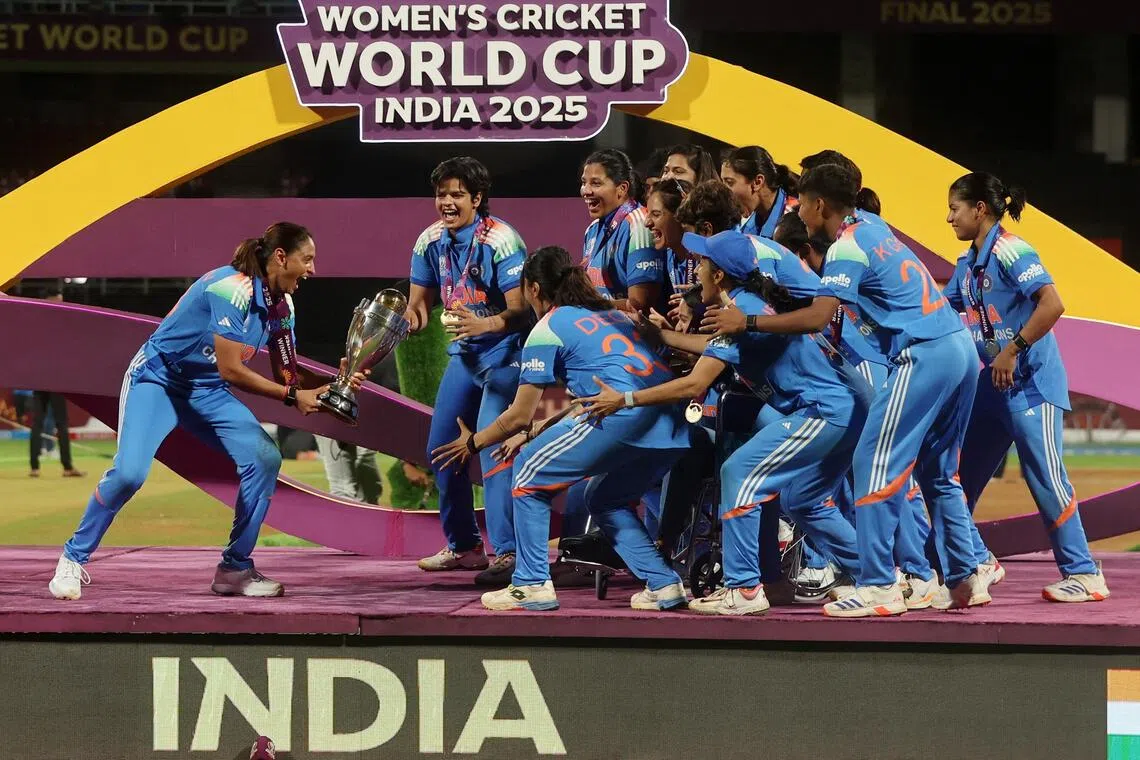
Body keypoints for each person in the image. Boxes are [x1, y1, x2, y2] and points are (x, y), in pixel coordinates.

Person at [702, 164, 985, 616]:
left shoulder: (845, 248)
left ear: (817, 205)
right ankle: (963, 575)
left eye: (803, 203)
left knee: (873, 464)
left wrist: (748, 320)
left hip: (924, 351)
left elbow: (817, 317)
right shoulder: (873, 229)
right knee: (938, 471)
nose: (799, 211)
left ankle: (878, 586)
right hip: (959, 348)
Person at [49, 222, 357, 600]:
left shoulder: (283, 305)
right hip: (158, 379)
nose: (312, 269)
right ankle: (72, 558)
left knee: (264, 458)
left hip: (207, 390)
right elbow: (232, 369)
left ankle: (235, 569)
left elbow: (288, 372)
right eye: (307, 259)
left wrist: (333, 384)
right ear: (281, 257)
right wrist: (294, 398)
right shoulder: (231, 288)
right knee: (129, 473)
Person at [579, 230, 867, 615]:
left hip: (823, 410)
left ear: (718, 276)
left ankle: (745, 589)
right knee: (804, 500)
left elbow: (697, 381)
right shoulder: (745, 305)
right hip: (843, 408)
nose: (694, 270)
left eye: (701, 263)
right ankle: (877, 577)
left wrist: (625, 399)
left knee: (739, 471)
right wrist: (661, 334)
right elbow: (715, 353)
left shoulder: (739, 310)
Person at [431, 246, 690, 612]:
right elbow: (589, 399)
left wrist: (472, 443)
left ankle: (532, 582)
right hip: (671, 425)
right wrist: (535, 432)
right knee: (605, 499)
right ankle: (663, 584)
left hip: (624, 419)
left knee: (526, 474)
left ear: (534, 289)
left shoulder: (547, 327)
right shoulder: (614, 316)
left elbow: (518, 414)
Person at [944, 171, 1109, 602]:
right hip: (993, 386)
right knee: (952, 476)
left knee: (1045, 478)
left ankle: (1085, 574)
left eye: (955, 208)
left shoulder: (1013, 250)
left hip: (1031, 383)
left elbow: (1053, 303)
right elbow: (940, 310)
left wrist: (1013, 349)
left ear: (980, 209)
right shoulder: (968, 264)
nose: (949, 218)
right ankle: (976, 558)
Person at [773, 212, 934, 605]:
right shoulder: (828, 285)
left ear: (803, 254)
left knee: (886, 480)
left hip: (874, 375)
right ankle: (895, 571)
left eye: (784, 257)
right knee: (866, 482)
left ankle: (916, 572)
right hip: (865, 375)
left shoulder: (833, 287)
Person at [405, 157, 531, 586]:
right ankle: (464, 547)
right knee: (442, 448)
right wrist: (409, 320)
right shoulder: (429, 240)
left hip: (506, 355)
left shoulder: (502, 240)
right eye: (442, 194)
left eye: (457, 194)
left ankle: (509, 554)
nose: (447, 202)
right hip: (465, 355)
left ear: (477, 198)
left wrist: (487, 324)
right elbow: (418, 303)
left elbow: (522, 310)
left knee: (495, 451)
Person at [580, 148, 664, 315]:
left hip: (632, 336)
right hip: (599, 329)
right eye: (584, 182)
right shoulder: (592, 230)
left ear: (622, 188)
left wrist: (587, 304)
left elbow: (640, 304)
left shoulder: (639, 225)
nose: (586, 191)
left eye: (596, 183)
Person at [720, 146, 799, 239]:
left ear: (757, 182)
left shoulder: (797, 219)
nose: (723, 191)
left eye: (729, 182)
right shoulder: (744, 225)